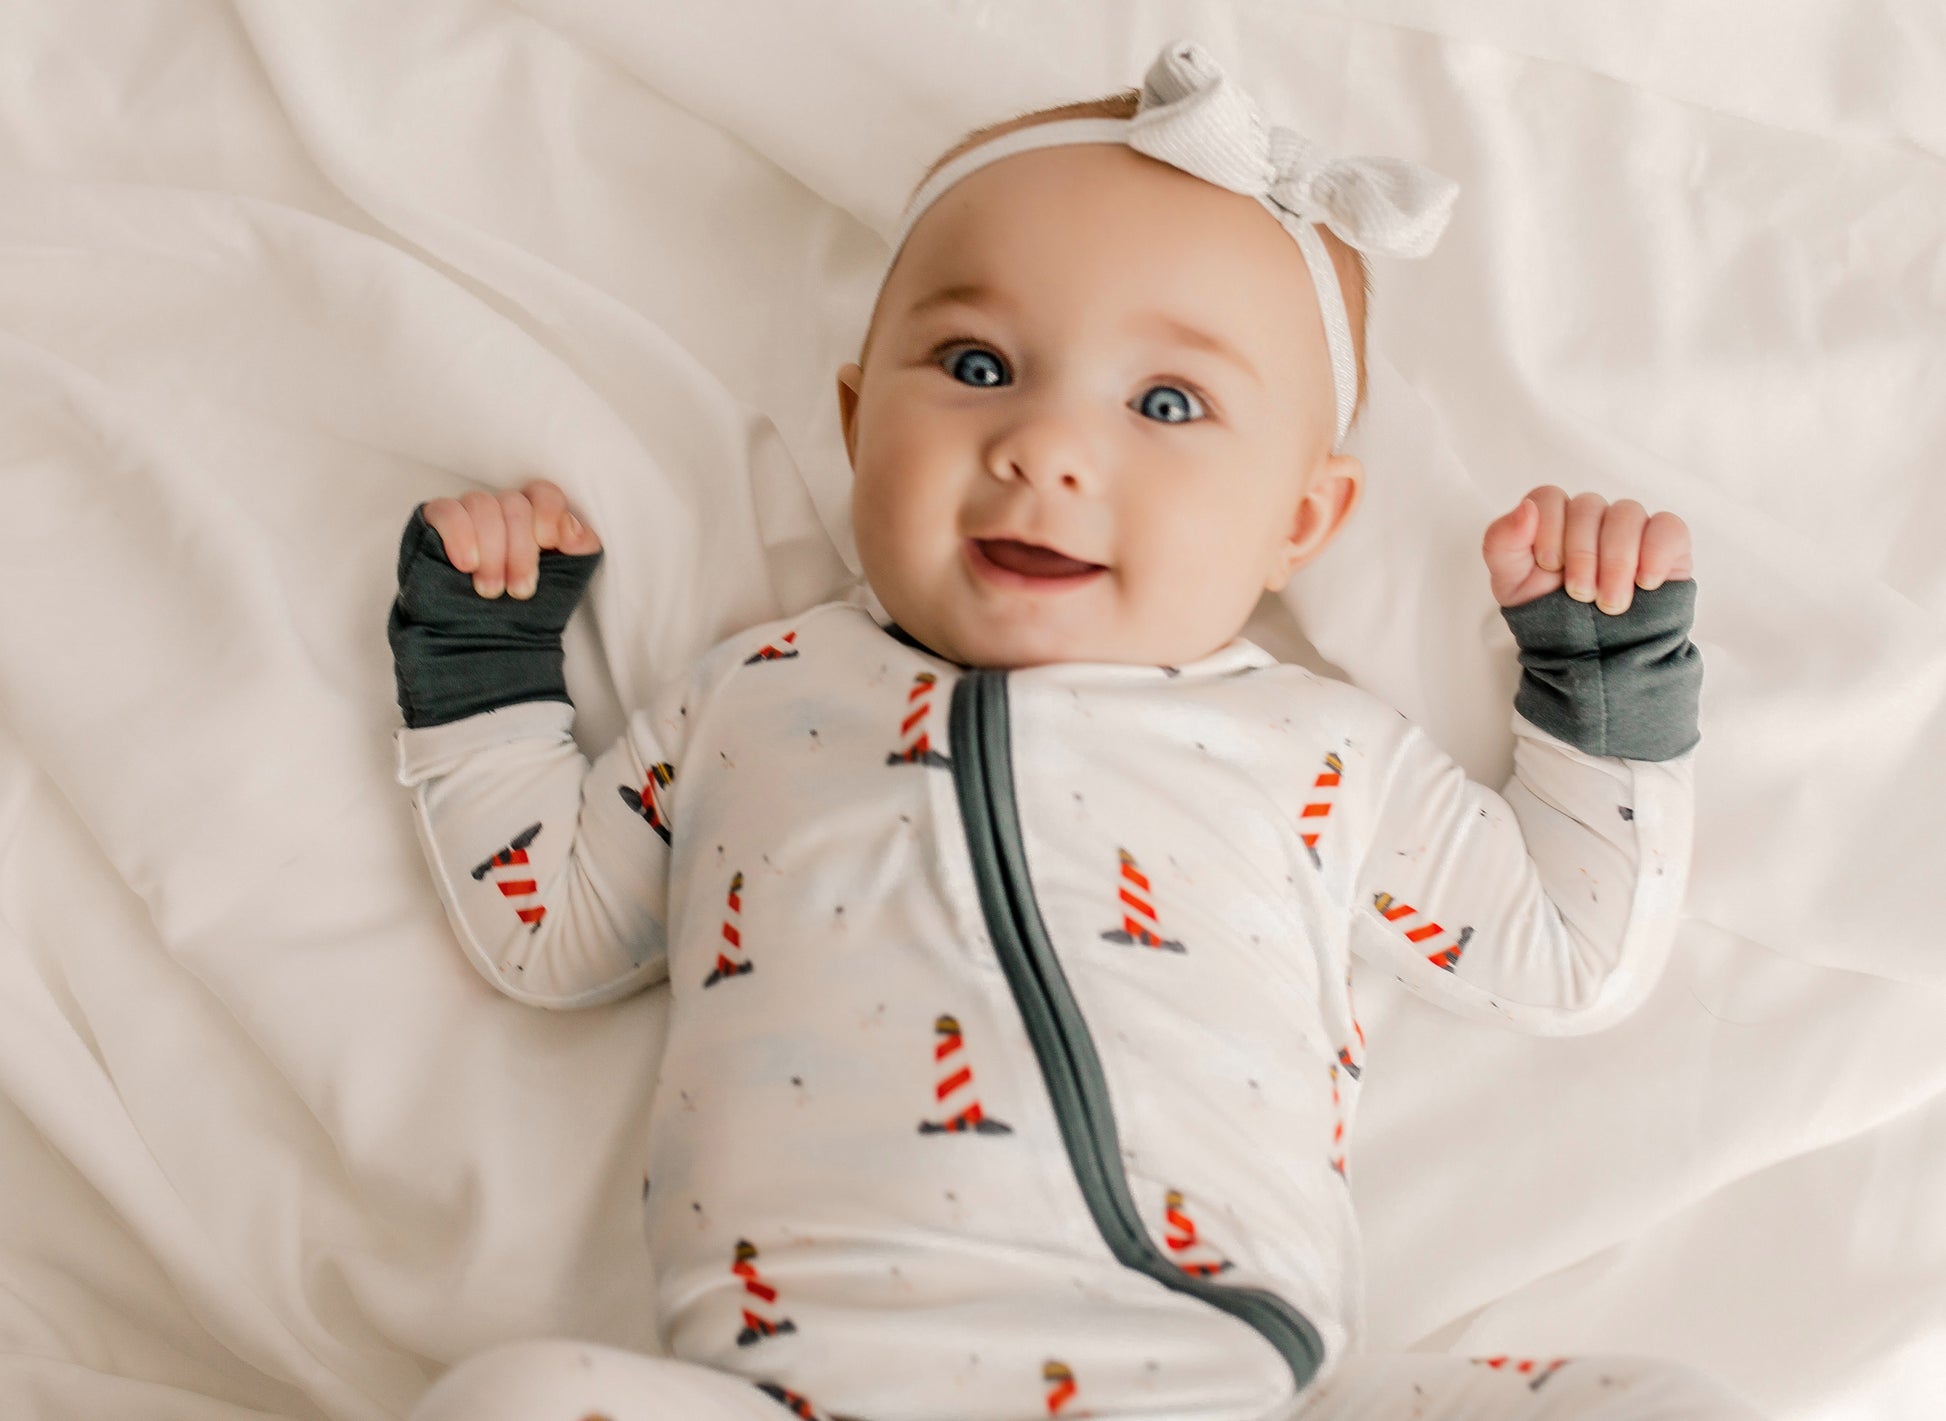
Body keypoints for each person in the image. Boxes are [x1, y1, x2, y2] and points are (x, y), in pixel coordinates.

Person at [387, 38, 1759, 1421]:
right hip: (799, 1389)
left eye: (1166, 403)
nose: (1045, 445)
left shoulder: (1317, 750)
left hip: (1229, 1386)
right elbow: (552, 924)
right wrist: (485, 651)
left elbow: (1562, 950)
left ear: (1300, 519)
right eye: (977, 362)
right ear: (860, 424)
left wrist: (1599, 676)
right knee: (505, 1401)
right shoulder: (752, 694)